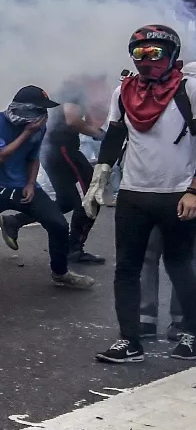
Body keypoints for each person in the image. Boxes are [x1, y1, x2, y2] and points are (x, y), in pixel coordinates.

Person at [86, 25, 196, 364]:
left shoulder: (189, 90)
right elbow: (114, 137)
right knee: (127, 269)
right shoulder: (124, 91)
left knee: (179, 266)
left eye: (155, 53)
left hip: (177, 193)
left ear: (172, 54)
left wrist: (194, 190)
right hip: (133, 193)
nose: (147, 61)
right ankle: (129, 340)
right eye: (139, 53)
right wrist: (98, 181)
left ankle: (191, 332)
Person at [0, 86, 94, 291]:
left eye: (44, 110)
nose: (42, 115)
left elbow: (33, 158)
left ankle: (60, 273)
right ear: (23, 108)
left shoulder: (38, 128)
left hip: (20, 185)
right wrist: (26, 133)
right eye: (38, 110)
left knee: (57, 223)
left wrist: (30, 183)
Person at [0, 77, 106, 265]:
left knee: (66, 202)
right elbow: (72, 119)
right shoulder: (74, 86)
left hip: (56, 151)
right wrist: (98, 134)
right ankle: (74, 248)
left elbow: (79, 118)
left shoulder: (70, 87)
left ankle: (14, 221)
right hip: (63, 150)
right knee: (92, 194)